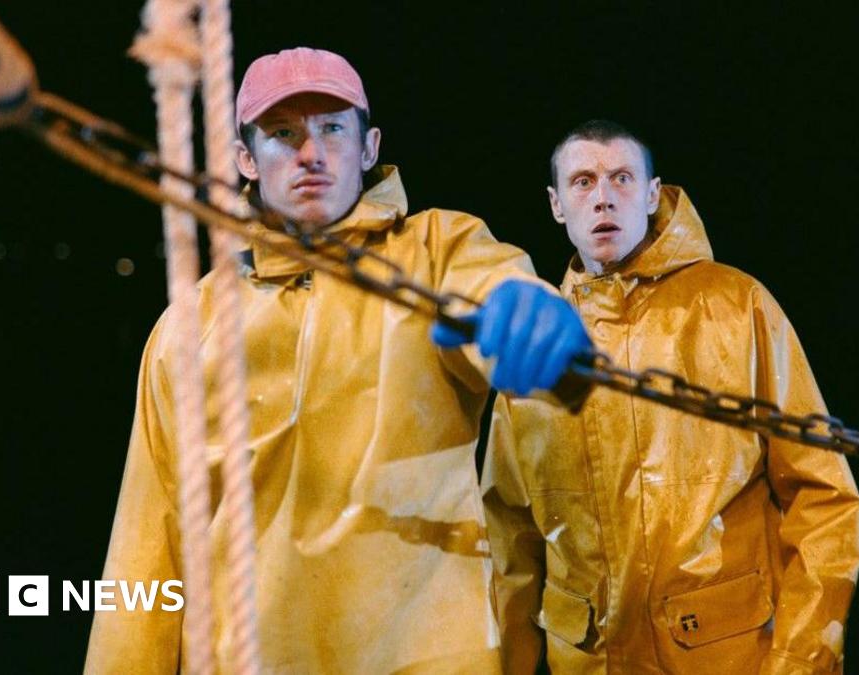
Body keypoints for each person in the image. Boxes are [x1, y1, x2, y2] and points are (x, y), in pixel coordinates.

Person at [85, 47, 588, 674]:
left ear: (369, 145)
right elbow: (145, 547)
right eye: (283, 133)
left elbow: (498, 291)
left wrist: (534, 314)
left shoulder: (438, 253)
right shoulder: (191, 327)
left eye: (332, 128)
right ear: (246, 159)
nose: (311, 153)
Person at [481, 120, 859, 674]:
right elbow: (508, 540)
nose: (604, 197)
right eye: (583, 182)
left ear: (653, 193)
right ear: (556, 204)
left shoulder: (735, 306)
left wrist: (800, 662)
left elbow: (821, 498)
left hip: (727, 658)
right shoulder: (539, 342)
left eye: (622, 178)